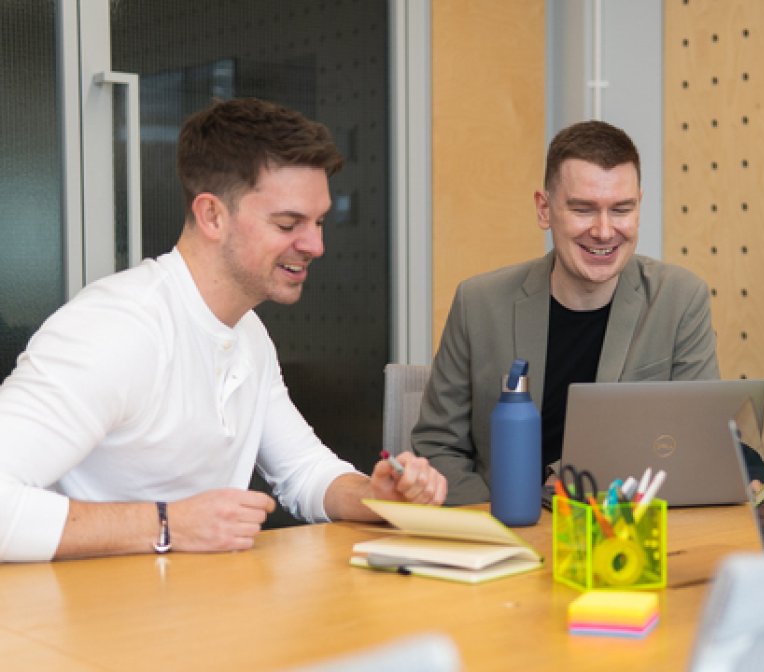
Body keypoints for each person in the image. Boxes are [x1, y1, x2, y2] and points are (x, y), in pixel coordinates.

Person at [0, 98, 445, 563]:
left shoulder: (248, 333)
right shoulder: (117, 328)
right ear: (212, 215)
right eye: (288, 223)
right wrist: (168, 523)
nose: (315, 244)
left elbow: (304, 472)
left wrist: (375, 497)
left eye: (318, 223)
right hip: (87, 623)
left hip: (195, 615)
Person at [412, 120, 720, 505]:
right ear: (544, 210)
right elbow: (437, 448)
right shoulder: (478, 303)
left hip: (624, 535)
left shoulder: (680, 299)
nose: (605, 231)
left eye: (622, 209)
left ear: (639, 206)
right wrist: (509, 520)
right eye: (583, 209)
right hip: (507, 537)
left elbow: (696, 448)